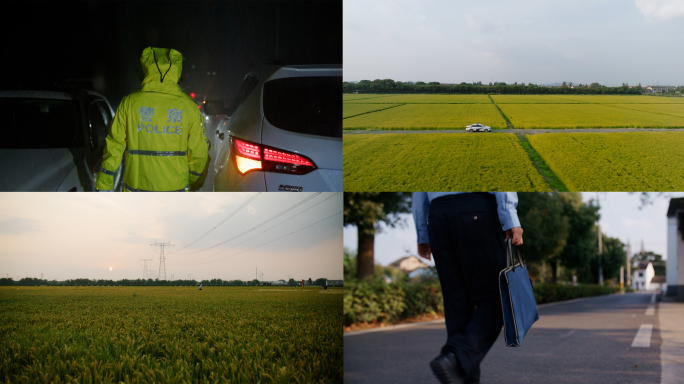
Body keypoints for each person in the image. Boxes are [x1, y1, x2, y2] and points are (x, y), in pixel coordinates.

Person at [412, 192, 523, 384]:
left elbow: (418, 192)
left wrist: (422, 232)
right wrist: (509, 217)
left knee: (456, 302)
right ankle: (456, 356)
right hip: (476, 210)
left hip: (438, 218)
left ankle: (460, 372)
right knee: (499, 296)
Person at [96, 47, 209, 192]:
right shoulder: (189, 107)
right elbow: (199, 152)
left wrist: (104, 184)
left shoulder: (129, 103)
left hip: (136, 194)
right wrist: (195, 183)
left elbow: (114, 145)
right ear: (177, 70)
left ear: (145, 69)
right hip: (175, 193)